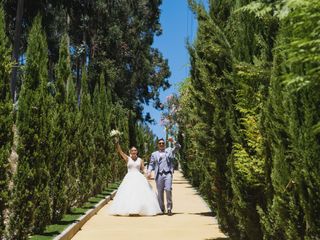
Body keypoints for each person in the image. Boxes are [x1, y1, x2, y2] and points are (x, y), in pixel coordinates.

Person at [107, 141, 162, 216]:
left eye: (135, 150)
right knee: (128, 194)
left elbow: (143, 169)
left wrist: (148, 173)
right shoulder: (127, 159)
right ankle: (129, 210)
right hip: (129, 178)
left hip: (139, 178)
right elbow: (120, 152)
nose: (134, 151)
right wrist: (117, 144)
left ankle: (139, 209)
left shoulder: (140, 160)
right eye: (132, 150)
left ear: (137, 152)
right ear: (130, 151)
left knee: (139, 194)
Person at [147, 137, 181, 216]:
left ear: (164, 144)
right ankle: (162, 208)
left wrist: (173, 141)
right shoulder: (154, 154)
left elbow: (178, 147)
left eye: (163, 143)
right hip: (159, 174)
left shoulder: (169, 150)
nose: (161, 144)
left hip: (168, 173)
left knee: (168, 189)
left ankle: (169, 208)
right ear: (157, 145)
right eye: (160, 143)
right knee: (160, 192)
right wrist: (149, 172)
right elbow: (151, 164)